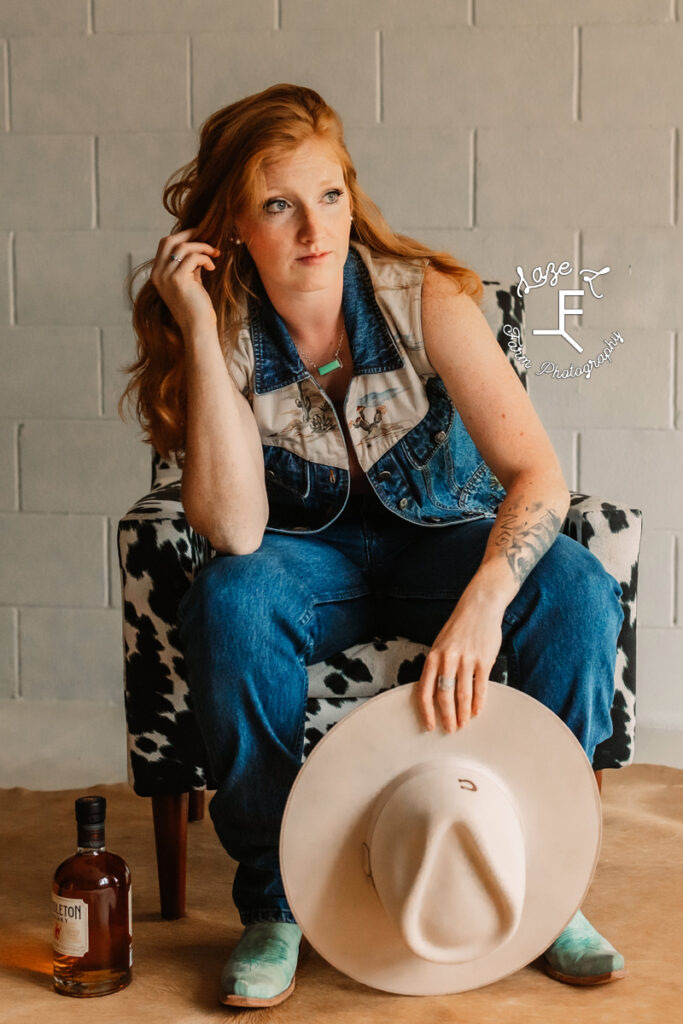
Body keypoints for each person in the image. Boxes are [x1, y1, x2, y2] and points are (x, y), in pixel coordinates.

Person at [120, 83, 626, 1009]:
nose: (313, 229)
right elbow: (234, 532)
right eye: (278, 204)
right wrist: (197, 325)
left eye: (328, 196)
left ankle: (549, 885)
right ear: (232, 226)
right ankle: (274, 903)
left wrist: (481, 605)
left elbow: (537, 477)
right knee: (231, 595)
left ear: (352, 196)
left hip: (444, 545)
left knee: (580, 591)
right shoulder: (224, 331)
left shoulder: (424, 297)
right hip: (308, 565)